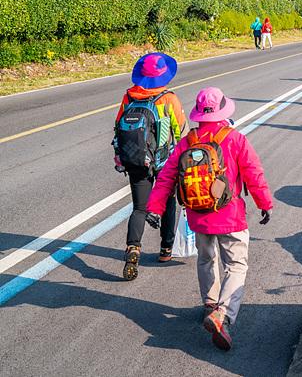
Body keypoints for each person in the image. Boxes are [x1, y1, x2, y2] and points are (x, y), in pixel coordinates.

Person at [146, 87, 273, 351]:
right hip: (230, 216)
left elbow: (167, 176)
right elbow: (254, 173)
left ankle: (209, 304)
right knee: (236, 265)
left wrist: (155, 208)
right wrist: (265, 204)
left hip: (198, 215)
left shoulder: (188, 142)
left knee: (206, 259)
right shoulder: (235, 139)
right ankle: (222, 314)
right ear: (223, 110)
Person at [113, 52, 186, 280]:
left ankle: (133, 248)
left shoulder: (129, 97)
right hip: (163, 161)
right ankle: (166, 249)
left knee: (139, 208)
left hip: (137, 160)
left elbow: (118, 126)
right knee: (168, 202)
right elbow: (180, 130)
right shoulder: (168, 98)